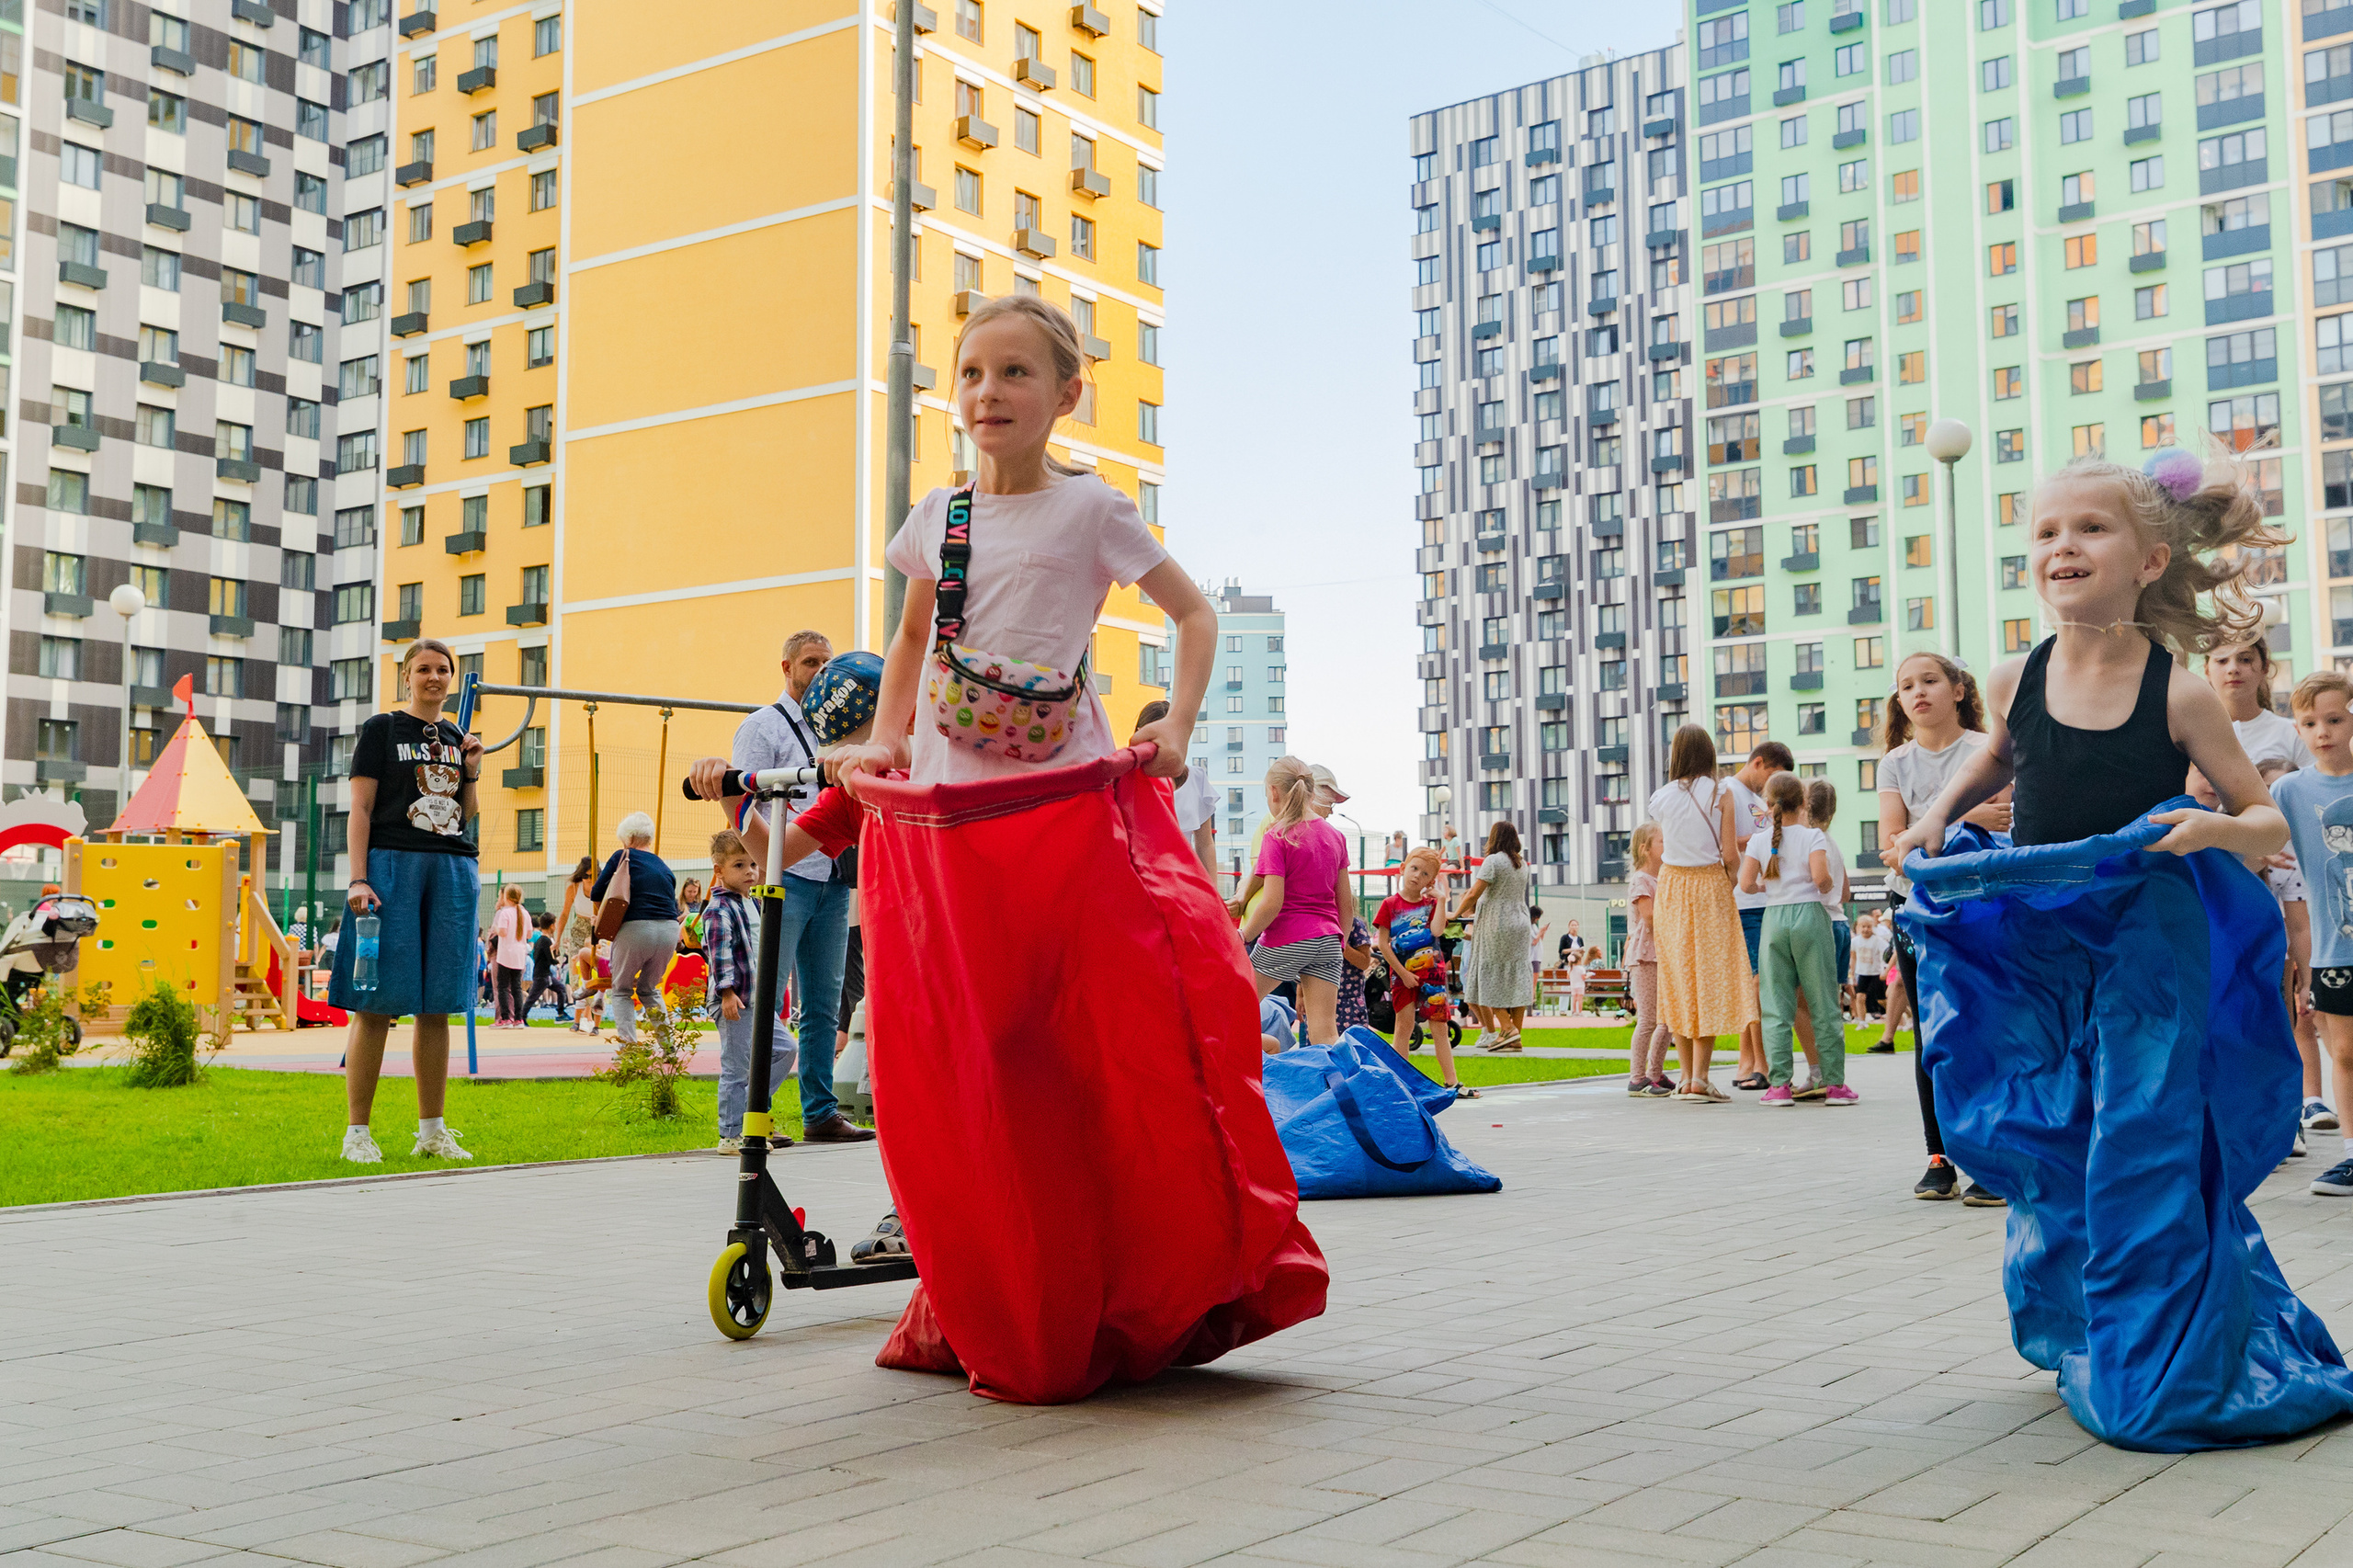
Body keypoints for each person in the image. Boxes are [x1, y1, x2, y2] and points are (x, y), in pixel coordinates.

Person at [814, 297, 1324, 1397]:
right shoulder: (936, 519)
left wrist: (1174, 727)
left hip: (1061, 813)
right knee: (980, 1044)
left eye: (1015, 374)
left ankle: (1114, 1276)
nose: (988, 393)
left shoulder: (1090, 512)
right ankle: (990, 1279)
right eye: (972, 374)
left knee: (1078, 1033)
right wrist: (888, 739)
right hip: (954, 819)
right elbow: (909, 639)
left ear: (1065, 396)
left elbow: (1192, 615)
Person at [1893, 448, 2350, 1451]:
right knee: (2057, 1129)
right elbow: (1989, 763)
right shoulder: (2017, 675)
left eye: (2089, 528)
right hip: (2044, 943)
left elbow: (2266, 821)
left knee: (2144, 1138)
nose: (2063, 545)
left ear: (2149, 560)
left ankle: (2164, 1353)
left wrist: (2210, 832)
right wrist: (1931, 822)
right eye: (2047, 532)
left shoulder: (2177, 691)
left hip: (2149, 939)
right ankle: (2085, 1326)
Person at [686, 631, 877, 1145]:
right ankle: (756, 1116)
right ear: (787, 666)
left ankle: (820, 1111)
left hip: (834, 874)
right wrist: (728, 790)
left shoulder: (842, 729)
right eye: (810, 663)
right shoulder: (763, 725)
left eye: (826, 663)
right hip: (786, 870)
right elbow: (745, 792)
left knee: (824, 1002)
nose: (819, 673)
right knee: (765, 996)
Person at [331, 638, 484, 1165]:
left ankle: (432, 1131)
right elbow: (360, 808)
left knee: (437, 1005)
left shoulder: (457, 736)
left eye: (444, 670)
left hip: (452, 865)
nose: (434, 678)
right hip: (392, 863)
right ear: (407, 677)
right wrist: (358, 878)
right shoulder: (382, 729)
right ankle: (357, 1133)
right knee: (376, 1004)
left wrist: (472, 772)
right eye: (424, 670)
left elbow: (465, 813)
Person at [1876, 651, 2011, 1203]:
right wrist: (1963, 816)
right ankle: (1939, 1156)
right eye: (1906, 686)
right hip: (1916, 909)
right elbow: (1893, 847)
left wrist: (1928, 824)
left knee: (1987, 1026)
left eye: (1930, 681)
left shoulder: (1988, 750)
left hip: (1984, 905)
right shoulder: (1894, 763)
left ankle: (1992, 1159)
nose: (1917, 693)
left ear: (1958, 689)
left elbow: (2000, 816)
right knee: (1931, 1033)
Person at [2208, 637, 2329, 1132]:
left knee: (2291, 987)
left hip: (2286, 880)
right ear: (2207, 670)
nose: (2233, 669)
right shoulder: (2192, 727)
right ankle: (2247, 1109)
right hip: (2220, 879)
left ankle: (2306, 1099)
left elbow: (2316, 795)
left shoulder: (2287, 731)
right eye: (2221, 660)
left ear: (2264, 669)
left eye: (2245, 659)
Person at [1646, 723, 1756, 1103]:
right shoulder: (1721, 792)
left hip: (1672, 887)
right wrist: (1735, 880)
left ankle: (1684, 1077)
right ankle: (1702, 1079)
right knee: (1708, 979)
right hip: (1709, 885)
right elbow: (1729, 854)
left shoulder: (1661, 798)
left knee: (1678, 980)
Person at [1740, 773, 1855, 1107]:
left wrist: (1767, 886)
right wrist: (1823, 884)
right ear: (1804, 803)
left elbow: (1745, 884)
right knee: (1822, 1003)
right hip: (1809, 916)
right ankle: (1834, 1085)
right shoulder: (1813, 836)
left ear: (1768, 804)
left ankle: (1779, 1086)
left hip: (1774, 918)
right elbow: (1821, 877)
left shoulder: (1760, 842)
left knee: (1776, 1005)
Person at [1236, 758, 1353, 1047]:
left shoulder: (1276, 835)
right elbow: (1346, 906)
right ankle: (1349, 1090)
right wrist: (1339, 944)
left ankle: (1263, 1062)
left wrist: (1242, 936)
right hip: (1328, 939)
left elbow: (1272, 903)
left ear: (1274, 793)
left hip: (1287, 937)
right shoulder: (1335, 836)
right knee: (1326, 1033)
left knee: (1232, 1008)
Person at [703, 827, 792, 1153]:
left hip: (758, 999)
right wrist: (727, 992)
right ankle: (730, 1134)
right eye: (740, 865)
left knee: (785, 1050)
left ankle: (751, 1113)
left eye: (753, 864)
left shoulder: (753, 902)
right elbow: (719, 952)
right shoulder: (719, 909)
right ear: (720, 871)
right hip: (735, 1001)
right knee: (737, 1067)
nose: (750, 872)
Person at [1722, 742, 1790, 1091]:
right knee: (1756, 982)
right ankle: (1759, 1061)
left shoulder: (1754, 797)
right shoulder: (1729, 791)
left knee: (1758, 982)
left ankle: (1746, 1061)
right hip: (1745, 901)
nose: (1771, 788)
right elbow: (1728, 843)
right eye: (1772, 777)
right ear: (1759, 762)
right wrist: (1768, 837)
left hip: (1765, 898)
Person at [1377, 847, 1474, 1096]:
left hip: (1433, 976)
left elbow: (1438, 931)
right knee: (1404, 1026)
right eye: (1414, 868)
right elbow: (1383, 944)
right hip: (1402, 976)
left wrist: (1441, 900)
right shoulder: (1390, 905)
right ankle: (1399, 1083)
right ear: (1402, 869)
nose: (1417, 876)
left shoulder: (1432, 905)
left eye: (1425, 874)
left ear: (1431, 881)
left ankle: (1452, 1082)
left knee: (1439, 1026)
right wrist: (1403, 972)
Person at [587, 812, 680, 1046]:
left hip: (637, 928)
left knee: (621, 990)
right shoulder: (663, 865)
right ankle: (668, 1047)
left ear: (628, 837)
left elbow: (596, 893)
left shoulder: (623, 855)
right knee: (649, 989)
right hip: (669, 930)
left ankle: (629, 1049)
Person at [1450, 822, 1536, 1049]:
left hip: (1497, 923)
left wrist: (1455, 913)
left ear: (1493, 838)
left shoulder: (1494, 861)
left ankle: (1507, 1028)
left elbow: (1473, 893)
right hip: (1520, 921)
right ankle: (1515, 1037)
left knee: (1488, 974)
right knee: (1516, 976)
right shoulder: (1521, 864)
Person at [1137, 699, 1218, 873]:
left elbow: (1205, 844)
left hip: (1183, 877)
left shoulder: (1196, 779)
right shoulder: (1127, 779)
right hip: (1141, 878)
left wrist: (1214, 895)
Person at [1625, 823, 1670, 1096]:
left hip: (1662, 954)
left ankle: (1655, 1073)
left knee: (1668, 1020)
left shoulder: (1662, 877)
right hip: (1646, 956)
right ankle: (1637, 1076)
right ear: (1646, 849)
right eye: (1662, 842)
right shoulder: (1641, 880)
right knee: (1649, 1020)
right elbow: (1649, 917)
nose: (1667, 847)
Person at [488, 885, 529, 1028]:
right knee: (517, 988)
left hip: (505, 955)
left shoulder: (505, 913)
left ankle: (506, 1019)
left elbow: (503, 932)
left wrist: (497, 929)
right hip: (520, 955)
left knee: (503, 987)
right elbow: (529, 934)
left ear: (507, 897)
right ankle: (519, 1019)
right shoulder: (525, 913)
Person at [553, 855, 597, 961]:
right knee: (576, 965)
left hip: (596, 930)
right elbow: (564, 914)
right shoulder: (574, 889)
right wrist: (557, 940)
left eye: (592, 876)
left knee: (595, 968)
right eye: (585, 876)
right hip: (579, 931)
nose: (588, 879)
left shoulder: (602, 888)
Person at [523, 912, 567, 1018]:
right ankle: (521, 1016)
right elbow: (551, 959)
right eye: (555, 925)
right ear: (551, 926)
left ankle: (561, 1013)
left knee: (561, 989)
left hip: (544, 974)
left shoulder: (540, 940)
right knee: (533, 997)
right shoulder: (546, 941)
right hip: (542, 975)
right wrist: (557, 959)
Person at [1850, 911, 1889, 1021]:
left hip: (1876, 972)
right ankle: (1862, 1021)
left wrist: (1884, 969)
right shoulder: (1855, 941)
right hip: (1862, 972)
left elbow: (1884, 955)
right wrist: (1852, 973)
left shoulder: (1878, 941)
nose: (1866, 929)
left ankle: (1900, 1016)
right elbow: (1853, 957)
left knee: (1881, 1000)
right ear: (1858, 927)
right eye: (1863, 927)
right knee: (1860, 997)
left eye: (1868, 927)